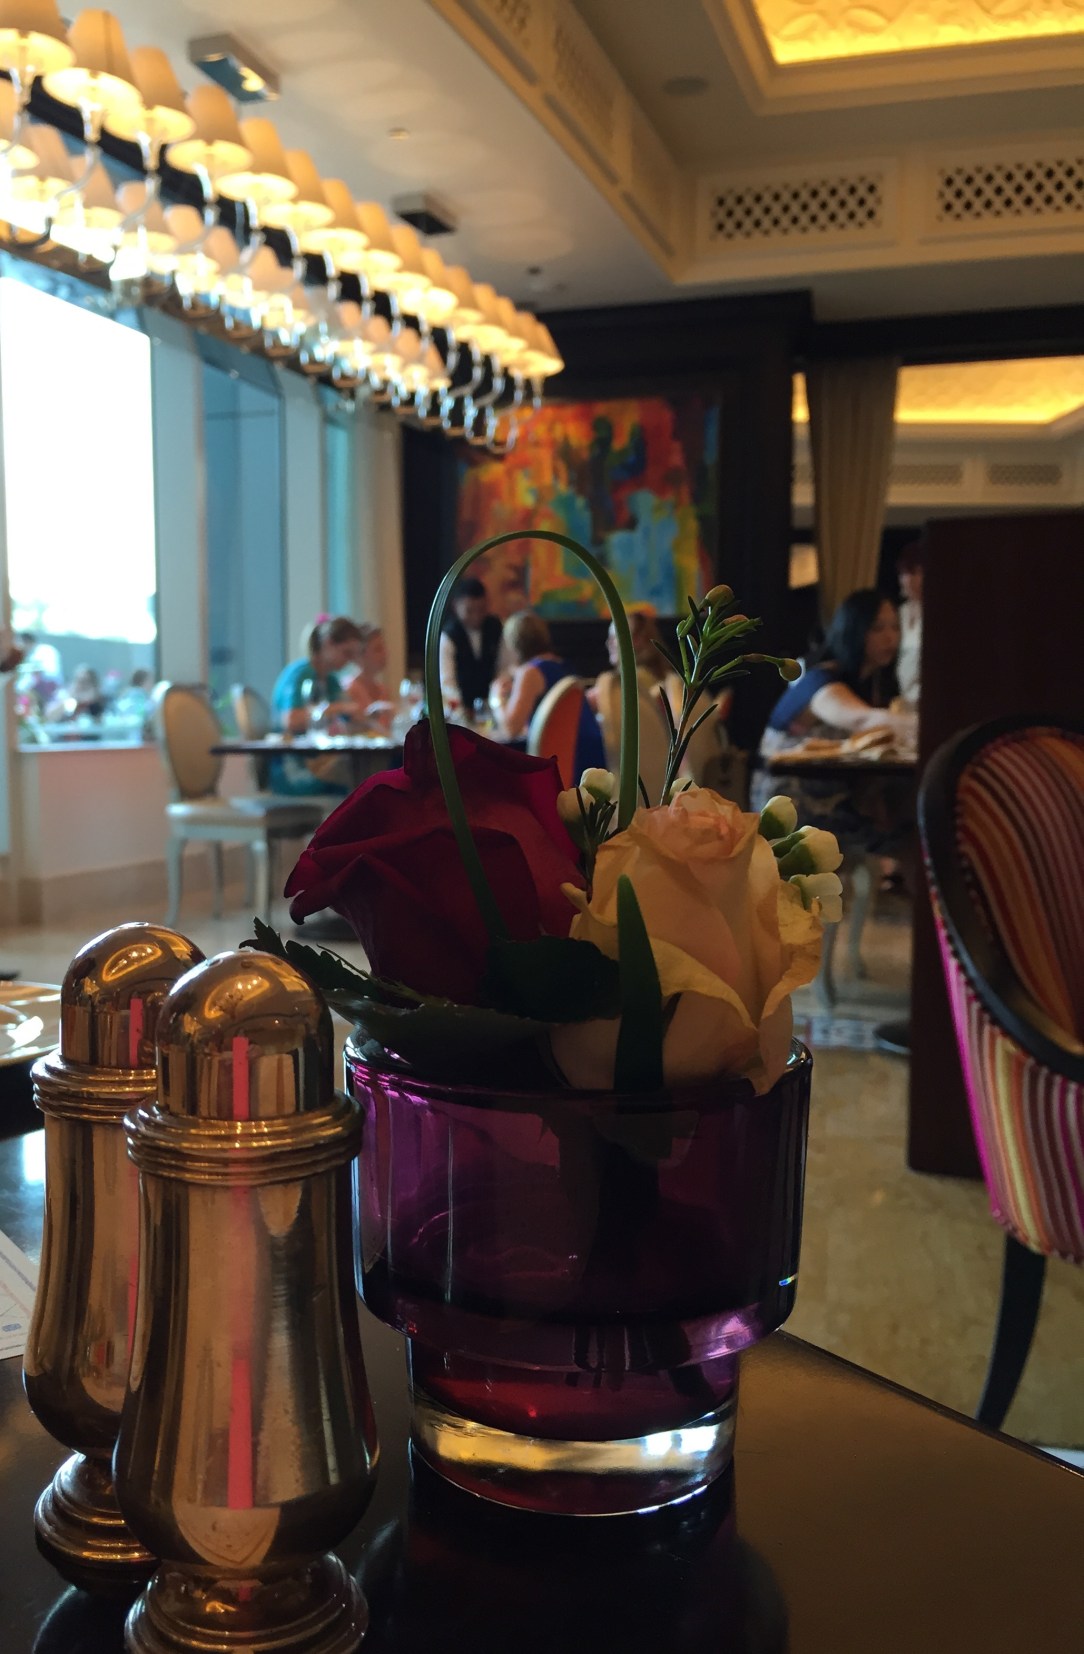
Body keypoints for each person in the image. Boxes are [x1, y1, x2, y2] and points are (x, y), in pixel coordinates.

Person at [752, 588, 917, 857]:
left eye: (895, 627)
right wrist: (930, 726)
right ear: (854, 630)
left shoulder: (871, 684)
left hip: (835, 798)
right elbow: (863, 719)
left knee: (909, 819)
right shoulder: (820, 681)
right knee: (911, 838)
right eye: (878, 628)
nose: (891, 637)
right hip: (791, 808)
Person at [493, 610, 606, 776]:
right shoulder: (563, 666)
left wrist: (496, 698)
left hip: (564, 760)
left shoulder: (530, 672)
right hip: (590, 753)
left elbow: (511, 729)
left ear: (513, 644)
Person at [269, 616, 364, 796]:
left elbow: (351, 716)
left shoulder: (331, 680)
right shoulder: (300, 674)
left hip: (319, 763)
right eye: (346, 653)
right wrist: (335, 709)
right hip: (293, 769)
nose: (349, 661)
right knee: (356, 787)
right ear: (328, 644)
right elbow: (291, 721)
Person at [439, 576, 502, 717]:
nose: (476, 616)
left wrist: (495, 706)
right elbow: (447, 682)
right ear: (456, 606)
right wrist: (461, 713)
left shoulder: (496, 628)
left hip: (491, 710)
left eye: (481, 609)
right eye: (469, 610)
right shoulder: (448, 636)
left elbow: (503, 669)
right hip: (461, 710)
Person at [345, 624, 394, 732]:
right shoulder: (349, 689)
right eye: (378, 649)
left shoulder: (382, 690)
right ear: (359, 655)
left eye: (383, 647)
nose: (385, 653)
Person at [896, 539, 924, 708]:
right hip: (901, 699)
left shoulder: (940, 614)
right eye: (905, 573)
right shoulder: (900, 613)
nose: (910, 580)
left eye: (917, 573)